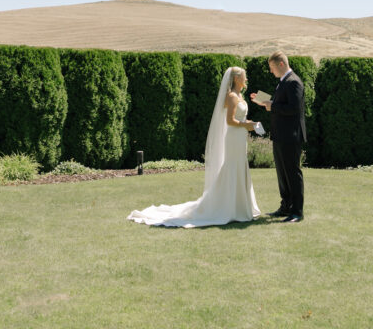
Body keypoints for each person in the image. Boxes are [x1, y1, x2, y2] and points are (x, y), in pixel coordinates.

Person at [127, 66, 261, 227]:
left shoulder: (239, 95)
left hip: (240, 137)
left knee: (240, 166)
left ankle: (240, 206)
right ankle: (229, 207)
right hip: (234, 136)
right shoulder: (232, 96)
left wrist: (248, 124)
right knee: (232, 167)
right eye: (244, 77)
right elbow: (230, 121)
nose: (246, 79)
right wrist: (246, 125)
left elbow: (239, 118)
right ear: (236, 79)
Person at [251, 51, 306, 223]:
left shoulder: (293, 82)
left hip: (291, 136)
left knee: (292, 173)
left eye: (272, 67)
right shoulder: (283, 82)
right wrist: (264, 101)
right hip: (281, 135)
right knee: (282, 174)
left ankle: (297, 212)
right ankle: (285, 207)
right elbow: (281, 103)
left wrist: (272, 105)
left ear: (281, 64)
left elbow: (294, 108)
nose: (271, 71)